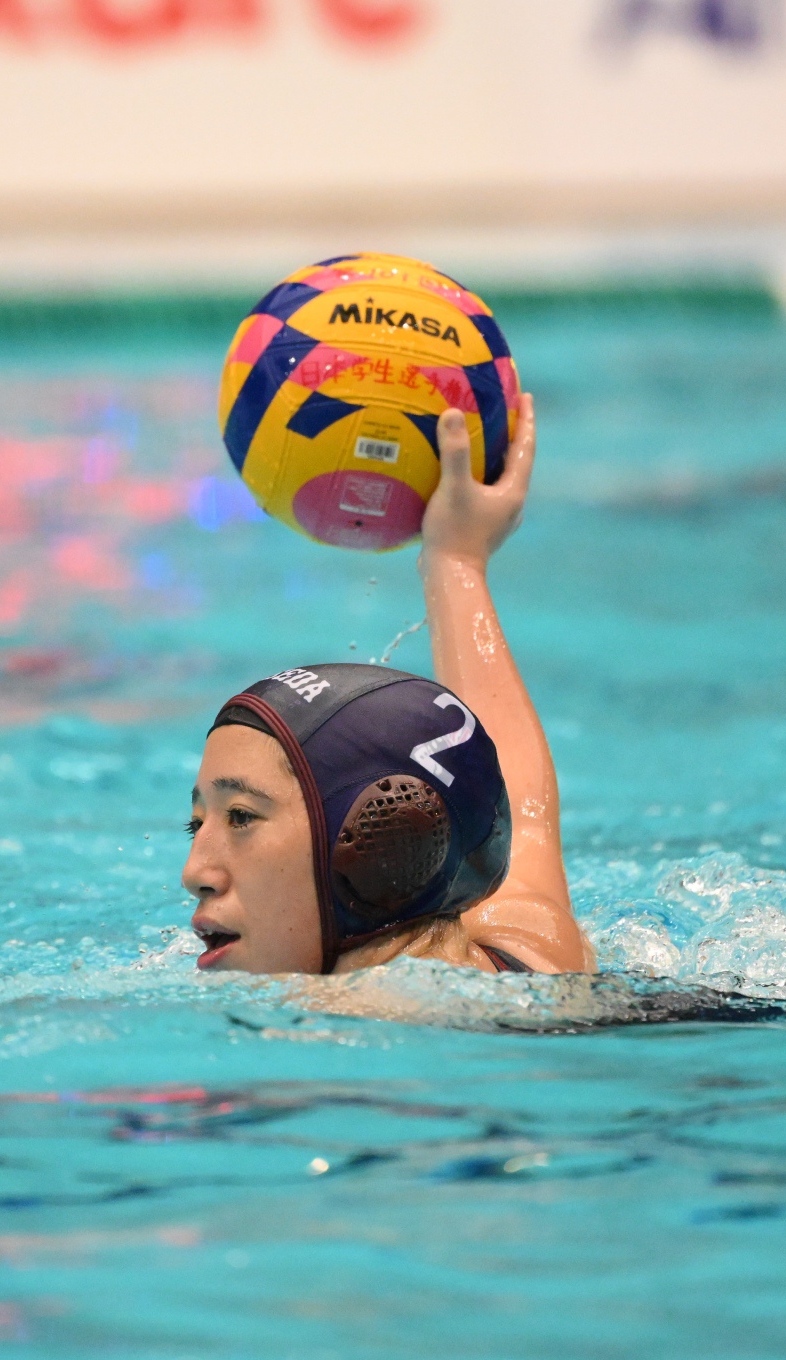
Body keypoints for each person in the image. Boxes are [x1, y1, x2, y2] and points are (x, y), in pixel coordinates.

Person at [181, 394, 590, 976]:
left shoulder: (374, 1015)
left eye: (242, 817)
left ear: (376, 842)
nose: (195, 873)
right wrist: (457, 557)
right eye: (198, 825)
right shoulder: (533, 949)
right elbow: (520, 811)